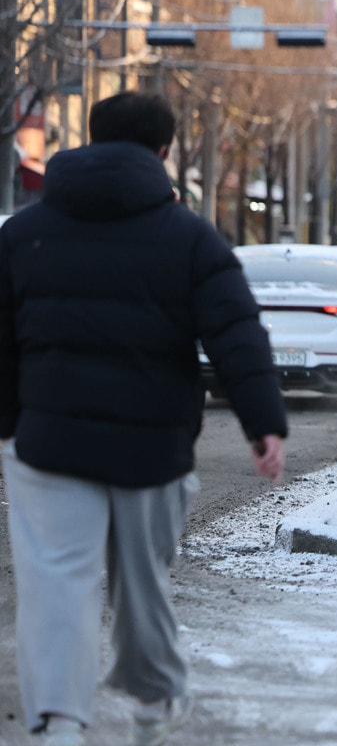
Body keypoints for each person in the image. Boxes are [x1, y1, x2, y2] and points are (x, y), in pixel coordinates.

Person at [0, 92, 288, 746]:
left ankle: (59, 723)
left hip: (48, 442)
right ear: (163, 153)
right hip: (153, 447)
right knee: (142, 580)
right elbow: (236, 332)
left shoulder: (22, 234)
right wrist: (262, 424)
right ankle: (157, 698)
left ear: (94, 141)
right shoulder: (188, 236)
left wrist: (11, 424)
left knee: (55, 585)